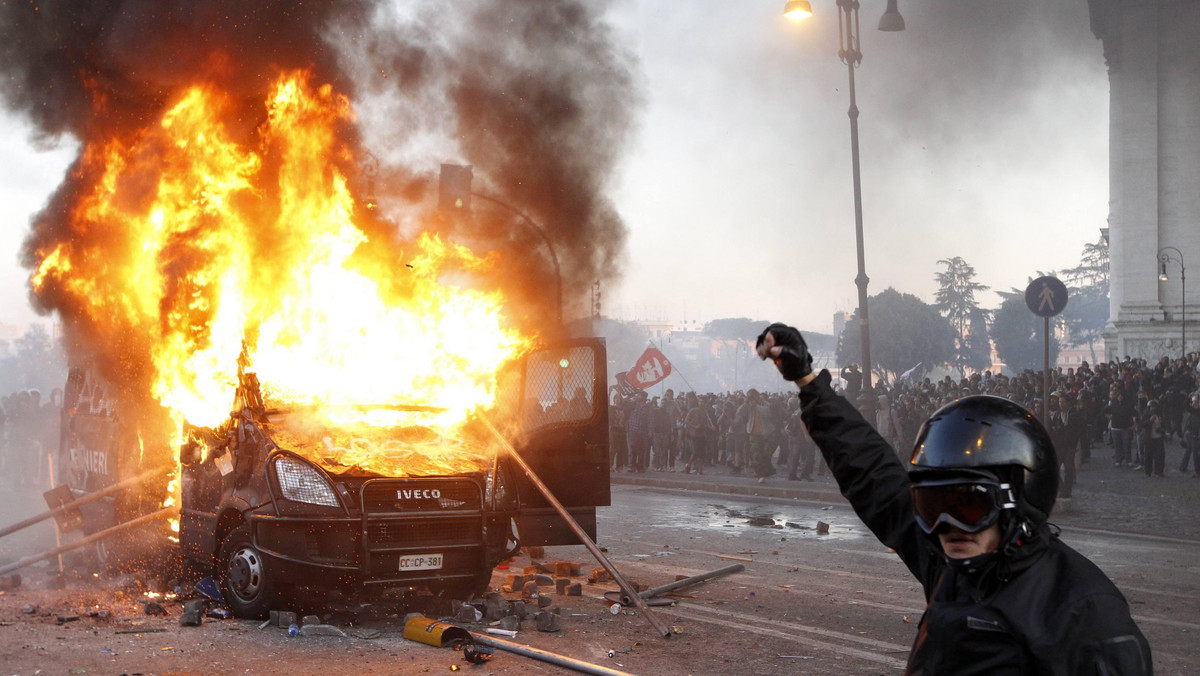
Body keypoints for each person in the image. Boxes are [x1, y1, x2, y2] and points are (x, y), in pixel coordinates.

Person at [756, 323, 1151, 674]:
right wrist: (809, 384)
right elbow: (873, 474)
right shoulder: (952, 563)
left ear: (1019, 502)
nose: (947, 526)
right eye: (931, 507)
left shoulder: (1086, 613)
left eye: (969, 505)